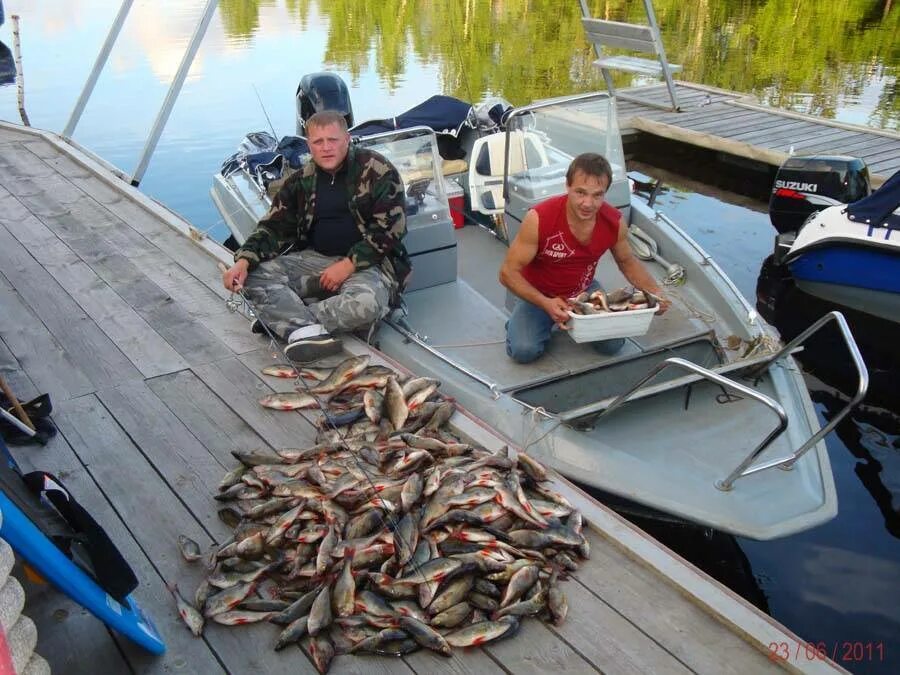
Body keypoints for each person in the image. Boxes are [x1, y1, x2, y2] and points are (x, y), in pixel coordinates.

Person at [222, 111, 410, 363]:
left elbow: (391, 230)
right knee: (252, 277)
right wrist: (243, 261)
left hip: (368, 265)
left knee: (366, 304)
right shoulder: (300, 181)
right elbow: (272, 228)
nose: (326, 148)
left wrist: (348, 265)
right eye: (318, 142)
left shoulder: (378, 170)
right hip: (315, 260)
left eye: (332, 140)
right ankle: (304, 328)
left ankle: (289, 322)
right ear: (309, 144)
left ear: (347, 139)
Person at [499, 152, 670, 364]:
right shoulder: (539, 218)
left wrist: (655, 294)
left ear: (605, 193)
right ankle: (523, 321)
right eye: (580, 192)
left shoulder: (614, 222)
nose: (587, 203)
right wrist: (545, 303)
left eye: (597, 195)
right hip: (540, 293)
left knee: (613, 345)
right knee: (523, 350)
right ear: (567, 187)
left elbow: (628, 262)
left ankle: (574, 317)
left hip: (583, 290)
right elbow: (507, 273)